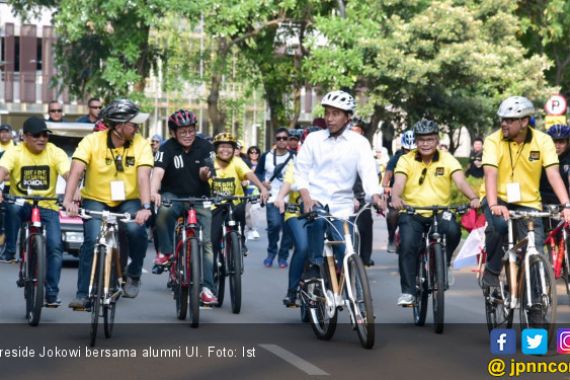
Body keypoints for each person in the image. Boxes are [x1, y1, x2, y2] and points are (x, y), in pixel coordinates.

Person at [63, 99, 154, 309]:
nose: (137, 128)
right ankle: (82, 294)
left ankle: (133, 274)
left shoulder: (140, 143)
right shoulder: (92, 141)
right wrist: (68, 200)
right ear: (118, 126)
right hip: (96, 198)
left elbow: (143, 177)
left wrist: (145, 207)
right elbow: (76, 171)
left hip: (128, 200)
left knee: (136, 230)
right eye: (133, 124)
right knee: (91, 240)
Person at [481, 96, 570, 290]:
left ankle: (535, 304)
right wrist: (494, 204)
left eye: (509, 120)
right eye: (502, 119)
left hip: (529, 201)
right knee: (499, 227)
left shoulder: (543, 140)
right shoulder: (492, 141)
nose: (504, 124)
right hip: (498, 197)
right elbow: (490, 173)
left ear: (524, 121)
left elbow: (553, 174)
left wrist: (567, 205)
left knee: (535, 249)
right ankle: (492, 270)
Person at [295, 90, 383, 280]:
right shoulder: (313, 139)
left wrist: (375, 195)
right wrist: (306, 197)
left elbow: (368, 173)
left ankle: (354, 298)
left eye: (336, 114)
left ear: (348, 117)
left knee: (346, 252)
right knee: (317, 221)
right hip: (315, 200)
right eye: (327, 113)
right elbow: (300, 172)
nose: (330, 118)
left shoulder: (359, 143)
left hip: (343, 206)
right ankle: (314, 267)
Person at [391, 119, 480, 306]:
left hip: (440, 211)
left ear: (437, 140)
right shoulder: (405, 160)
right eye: (421, 140)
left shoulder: (447, 159)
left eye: (430, 139)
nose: (425, 143)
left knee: (453, 230)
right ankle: (408, 292)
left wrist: (473, 197)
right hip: (412, 211)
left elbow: (461, 182)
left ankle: (444, 264)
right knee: (407, 245)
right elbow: (398, 182)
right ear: (415, 141)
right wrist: (396, 197)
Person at [0, 117, 71, 306]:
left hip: (48, 206)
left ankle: (51, 292)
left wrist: (74, 192)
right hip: (22, 203)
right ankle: (9, 250)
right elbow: (2, 169)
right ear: (24, 137)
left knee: (55, 247)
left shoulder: (55, 152)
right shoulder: (15, 152)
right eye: (36, 135)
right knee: (11, 207)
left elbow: (68, 173)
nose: (42, 139)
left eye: (45, 135)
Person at [150, 110, 218, 304]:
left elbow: (208, 171)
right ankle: (166, 252)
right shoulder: (166, 148)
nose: (188, 135)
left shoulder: (205, 146)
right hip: (174, 196)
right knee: (163, 211)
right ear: (173, 132)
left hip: (200, 198)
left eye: (191, 130)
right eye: (182, 131)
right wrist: (155, 192)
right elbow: (157, 173)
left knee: (206, 244)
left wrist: (205, 173)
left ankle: (207, 288)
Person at [209, 133, 268, 293]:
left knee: (241, 210)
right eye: (222, 146)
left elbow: (249, 174)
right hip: (215, 207)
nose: (225, 150)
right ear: (216, 149)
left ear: (234, 149)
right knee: (212, 241)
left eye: (229, 147)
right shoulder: (210, 162)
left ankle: (239, 242)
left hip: (234, 203)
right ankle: (213, 271)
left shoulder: (237, 161)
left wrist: (262, 188)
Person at [255, 128, 295, 268]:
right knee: (274, 225)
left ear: (289, 139)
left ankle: (283, 256)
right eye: (279, 138)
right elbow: (258, 173)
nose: (282, 141)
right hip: (272, 197)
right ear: (275, 140)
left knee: (288, 229)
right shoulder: (266, 156)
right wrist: (262, 183)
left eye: (285, 138)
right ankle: (271, 252)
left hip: (290, 198)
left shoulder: (294, 156)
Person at [382, 130, 416, 253]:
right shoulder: (396, 159)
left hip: (417, 194)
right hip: (398, 193)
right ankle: (391, 238)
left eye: (413, 150)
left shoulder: (422, 159)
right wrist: (386, 187)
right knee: (393, 215)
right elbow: (387, 176)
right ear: (402, 148)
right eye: (407, 150)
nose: (410, 153)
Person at [350, 119, 377, 266]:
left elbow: (372, 175)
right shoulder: (340, 150)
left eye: (357, 132)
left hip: (362, 198)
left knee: (366, 224)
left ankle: (365, 258)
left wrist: (376, 196)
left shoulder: (366, 153)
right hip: (341, 198)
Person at [540, 124, 570, 205]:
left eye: (561, 142)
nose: (557, 146)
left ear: (568, 143)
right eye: (554, 141)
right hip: (540, 201)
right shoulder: (540, 155)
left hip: (565, 201)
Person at [244, 146, 262, 240]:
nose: (254, 154)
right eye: (251, 152)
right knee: (247, 212)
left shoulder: (261, 164)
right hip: (246, 189)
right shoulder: (245, 163)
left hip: (256, 190)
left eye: (256, 153)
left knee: (255, 209)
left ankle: (254, 229)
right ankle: (249, 229)